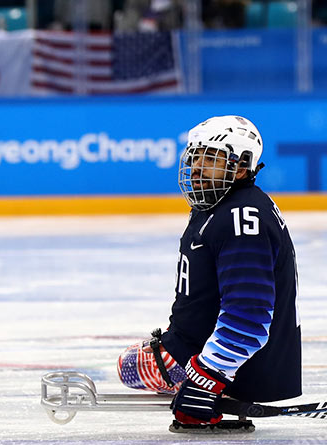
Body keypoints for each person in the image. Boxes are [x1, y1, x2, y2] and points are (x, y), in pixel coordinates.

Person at [118, 115, 302, 428]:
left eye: (211, 158)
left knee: (130, 367)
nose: (198, 167)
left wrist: (207, 377)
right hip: (201, 344)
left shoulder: (242, 217)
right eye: (195, 156)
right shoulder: (223, 206)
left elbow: (249, 316)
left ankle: (211, 378)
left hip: (241, 368)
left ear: (241, 166)